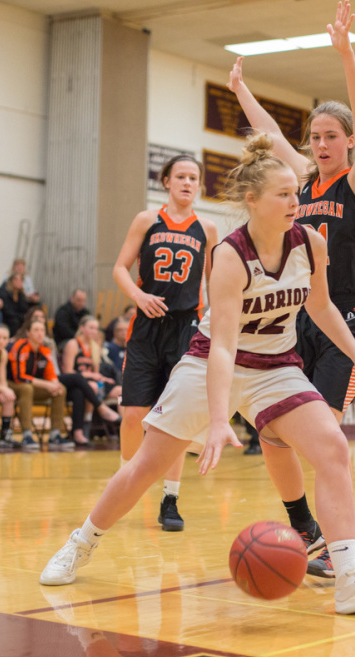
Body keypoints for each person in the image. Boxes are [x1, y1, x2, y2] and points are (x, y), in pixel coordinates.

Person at [39, 132, 355, 615]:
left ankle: (350, 577)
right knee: (146, 466)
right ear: (252, 200)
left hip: (277, 366)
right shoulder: (230, 255)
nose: (294, 203)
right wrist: (220, 419)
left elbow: (321, 306)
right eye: (283, 194)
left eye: (295, 193)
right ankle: (81, 542)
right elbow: (221, 345)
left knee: (332, 447)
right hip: (210, 364)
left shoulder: (311, 243)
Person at [228, 1, 355, 576]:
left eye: (330, 136)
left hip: (346, 318)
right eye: (315, 136)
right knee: (272, 431)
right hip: (295, 321)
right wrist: (241, 91)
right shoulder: (301, 184)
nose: (321, 144)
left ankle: (340, 554)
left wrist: (346, 53)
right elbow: (268, 137)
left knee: (322, 442)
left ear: (346, 142)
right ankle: (305, 530)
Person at [111, 153, 218, 531]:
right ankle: (124, 482)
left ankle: (170, 499)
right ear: (167, 181)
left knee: (174, 420)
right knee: (133, 415)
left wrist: (217, 323)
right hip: (145, 327)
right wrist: (138, 297)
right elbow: (120, 267)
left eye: (194, 178)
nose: (188, 183)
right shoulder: (146, 220)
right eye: (181, 177)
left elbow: (217, 281)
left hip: (186, 330)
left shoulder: (207, 229)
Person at [9, 319, 71, 448]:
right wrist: (47, 385)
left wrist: (55, 384)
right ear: (28, 333)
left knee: (61, 390)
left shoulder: (45, 350)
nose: (39, 333)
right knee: (27, 388)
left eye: (42, 330)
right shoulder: (20, 346)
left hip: (34, 386)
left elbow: (51, 374)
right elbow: (19, 376)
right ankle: (26, 435)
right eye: (36, 330)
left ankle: (55, 434)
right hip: (13, 385)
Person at [60, 315, 121, 446]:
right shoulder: (73, 344)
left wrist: (103, 378)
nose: (94, 331)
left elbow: (96, 373)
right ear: (82, 328)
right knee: (91, 385)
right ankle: (98, 411)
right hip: (72, 383)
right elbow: (68, 371)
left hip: (87, 385)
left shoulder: (95, 347)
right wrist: (91, 376)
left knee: (115, 390)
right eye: (91, 328)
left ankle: (122, 428)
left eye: (96, 328)